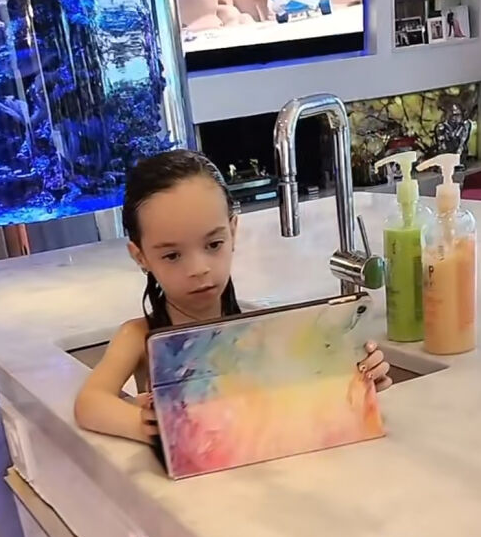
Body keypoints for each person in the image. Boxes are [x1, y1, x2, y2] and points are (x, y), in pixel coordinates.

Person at [74, 150, 392, 444]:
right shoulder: (139, 336)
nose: (198, 269)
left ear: (233, 232)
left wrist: (359, 382)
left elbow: (294, 400)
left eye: (213, 245)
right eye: (172, 255)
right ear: (141, 256)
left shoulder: (260, 327)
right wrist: (142, 424)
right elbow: (90, 402)